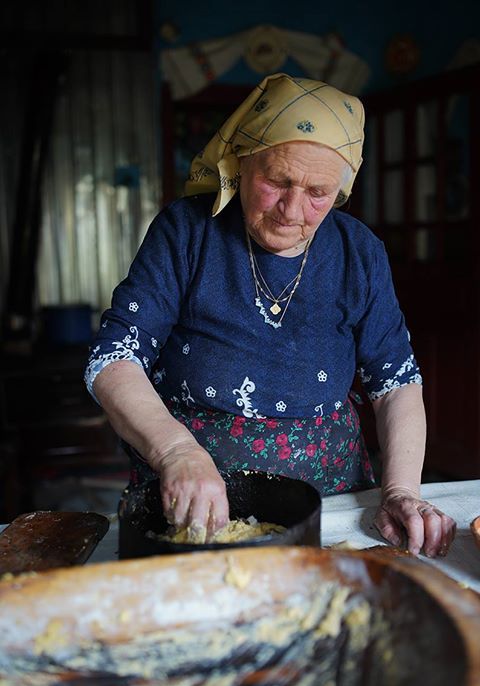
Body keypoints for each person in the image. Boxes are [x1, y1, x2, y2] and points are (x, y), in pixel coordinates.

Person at [85, 73, 456, 557]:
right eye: (276, 181)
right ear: (242, 162)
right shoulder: (187, 232)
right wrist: (176, 452)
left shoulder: (358, 252)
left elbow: (396, 383)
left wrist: (402, 491)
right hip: (200, 504)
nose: (291, 209)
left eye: (318, 191)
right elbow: (112, 358)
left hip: (335, 505)